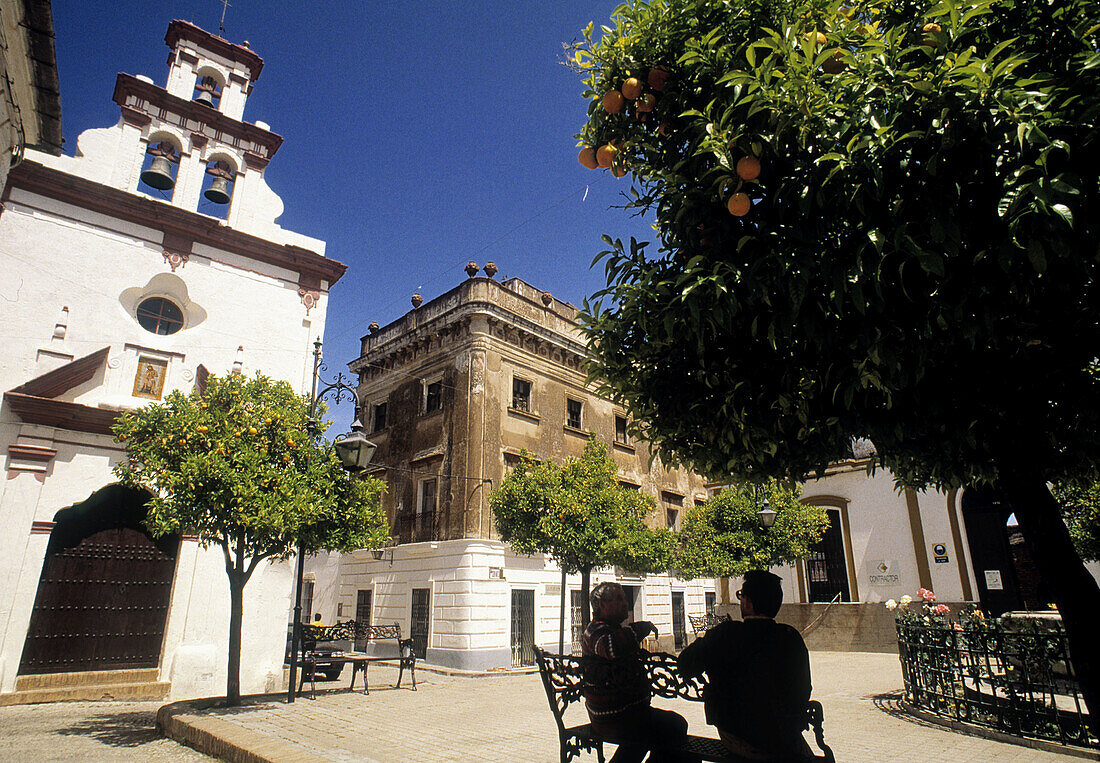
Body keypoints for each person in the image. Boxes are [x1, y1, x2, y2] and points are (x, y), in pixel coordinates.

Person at [678, 570, 813, 760]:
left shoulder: (725, 634)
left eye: (741, 596)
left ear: (748, 603)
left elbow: (685, 664)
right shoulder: (790, 637)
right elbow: (804, 688)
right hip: (782, 735)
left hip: (737, 735)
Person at [582, 582, 697, 763]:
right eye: (619, 599)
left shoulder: (609, 629)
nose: (626, 603)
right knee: (672, 728)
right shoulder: (595, 631)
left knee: (667, 730)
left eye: (625, 599)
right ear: (602, 604)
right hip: (615, 717)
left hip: (625, 713)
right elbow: (610, 648)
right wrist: (637, 629)